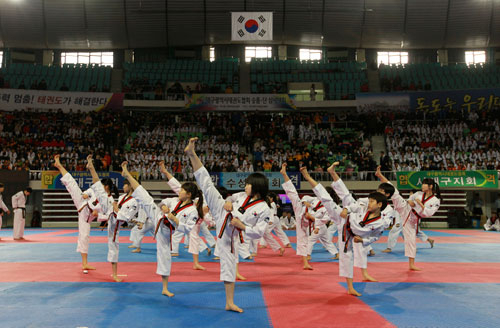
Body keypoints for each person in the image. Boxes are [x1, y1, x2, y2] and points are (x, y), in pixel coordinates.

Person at [185, 137, 270, 313]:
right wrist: (229, 201)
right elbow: (230, 198)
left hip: (231, 234)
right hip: (222, 212)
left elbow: (258, 233)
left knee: (229, 268)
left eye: (248, 184)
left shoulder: (264, 208)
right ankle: (192, 153)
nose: (245, 186)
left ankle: (229, 302)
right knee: (207, 185)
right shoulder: (241, 196)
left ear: (257, 187)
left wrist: (242, 226)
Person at [301, 166, 390, 297]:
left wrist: (363, 240)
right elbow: (353, 206)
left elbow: (375, 237)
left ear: (379, 205)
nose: (369, 203)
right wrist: (346, 209)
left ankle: (350, 287)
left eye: (372, 201)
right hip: (344, 219)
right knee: (327, 200)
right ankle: (309, 177)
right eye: (369, 201)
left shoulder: (380, 223)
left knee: (347, 258)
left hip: (350, 234)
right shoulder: (363, 207)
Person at [123, 161, 202, 296]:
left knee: (165, 257)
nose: (180, 191)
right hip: (157, 217)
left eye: (182, 190)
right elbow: (163, 203)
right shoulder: (175, 200)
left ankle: (165, 288)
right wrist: (162, 207)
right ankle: (128, 175)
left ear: (188, 194)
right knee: (145, 197)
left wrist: (174, 219)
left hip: (166, 231)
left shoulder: (192, 211)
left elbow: (187, 229)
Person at [327, 162, 396, 281]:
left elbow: (383, 225)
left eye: (381, 191)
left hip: (366, 229)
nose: (378, 191)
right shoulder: (371, 200)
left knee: (361, 250)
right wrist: (351, 209)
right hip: (355, 215)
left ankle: (364, 274)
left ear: (387, 195)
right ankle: (333, 173)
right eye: (378, 189)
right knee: (346, 196)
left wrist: (366, 228)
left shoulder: (389, 210)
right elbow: (360, 202)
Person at [376, 166, 441, 271]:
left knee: (411, 240)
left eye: (424, 184)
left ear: (430, 186)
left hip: (413, 218)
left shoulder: (435, 200)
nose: (422, 185)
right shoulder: (418, 193)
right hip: (405, 209)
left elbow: (428, 213)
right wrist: (411, 202)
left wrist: (418, 204)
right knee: (395, 192)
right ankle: (380, 176)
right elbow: (409, 201)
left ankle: (411, 264)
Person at [87, 155, 137, 282]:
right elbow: (115, 210)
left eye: (126, 184)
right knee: (98, 187)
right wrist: (112, 209)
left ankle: (114, 274)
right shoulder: (122, 197)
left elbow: (124, 216)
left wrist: (114, 208)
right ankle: (91, 166)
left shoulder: (134, 201)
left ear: (131, 186)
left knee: (114, 246)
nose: (124, 186)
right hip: (111, 217)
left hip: (115, 221)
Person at [54, 155, 100, 271]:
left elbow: (104, 214)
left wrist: (98, 214)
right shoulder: (97, 189)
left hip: (86, 217)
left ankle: (85, 263)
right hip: (82, 203)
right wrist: (86, 194)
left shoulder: (107, 200)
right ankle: (59, 166)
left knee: (84, 237)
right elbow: (89, 191)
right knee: (72, 184)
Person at [280, 164, 314, 270]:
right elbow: (304, 198)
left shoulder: (325, 206)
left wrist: (311, 218)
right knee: (293, 193)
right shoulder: (317, 198)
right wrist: (305, 203)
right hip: (301, 212)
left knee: (292, 193)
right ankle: (284, 174)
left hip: (305, 220)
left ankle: (284, 174)